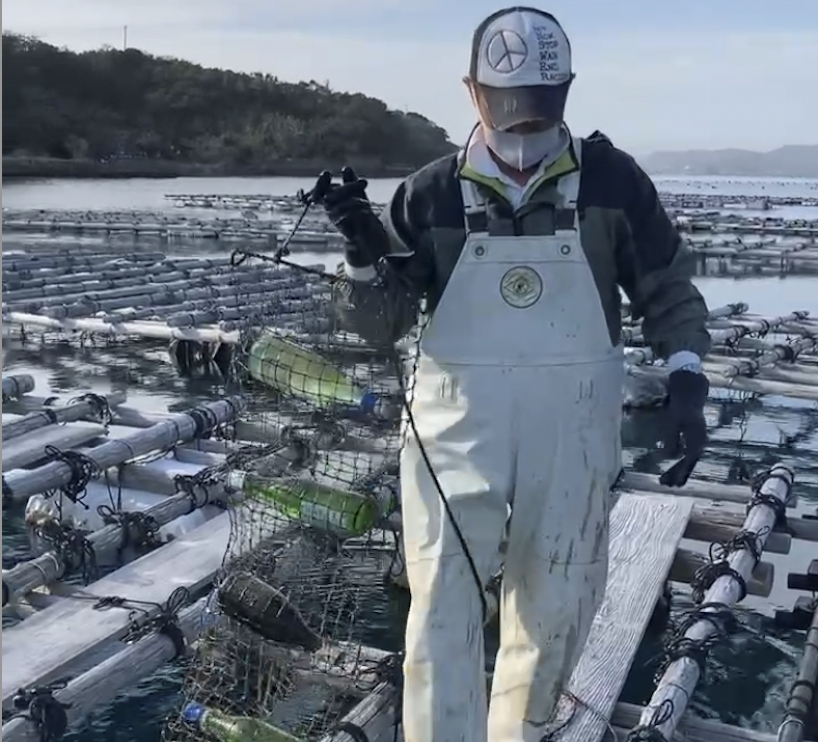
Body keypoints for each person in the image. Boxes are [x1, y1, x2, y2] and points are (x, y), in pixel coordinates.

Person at [319, 7, 711, 741]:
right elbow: (380, 324)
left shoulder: (614, 182)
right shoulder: (429, 193)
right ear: (472, 92)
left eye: (538, 109)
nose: (523, 127)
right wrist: (363, 255)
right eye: (508, 109)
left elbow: (666, 285)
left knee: (554, 605)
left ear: (566, 91)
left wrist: (687, 373)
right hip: (455, 427)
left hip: (573, 426)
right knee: (441, 607)